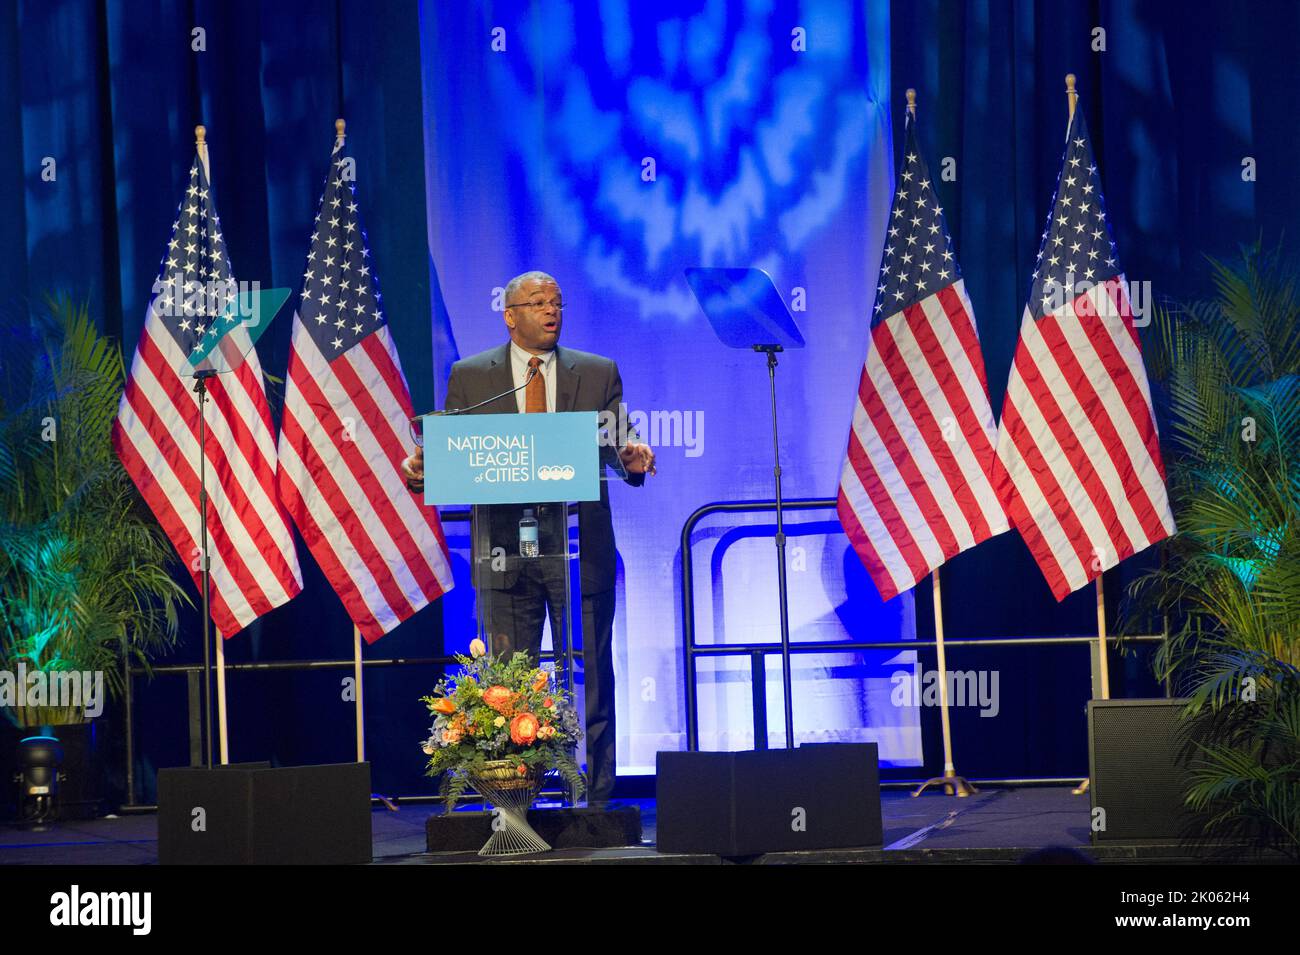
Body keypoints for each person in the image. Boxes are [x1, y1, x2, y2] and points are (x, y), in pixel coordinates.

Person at [401, 271, 655, 804]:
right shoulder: (471, 376)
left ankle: (597, 799)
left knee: (592, 676)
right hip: (504, 555)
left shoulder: (596, 371)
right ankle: (515, 803)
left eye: (556, 302)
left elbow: (618, 442)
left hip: (579, 551)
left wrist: (632, 457)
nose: (550, 310)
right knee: (508, 685)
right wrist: (426, 466)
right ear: (510, 314)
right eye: (537, 302)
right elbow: (456, 448)